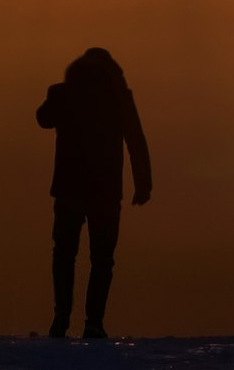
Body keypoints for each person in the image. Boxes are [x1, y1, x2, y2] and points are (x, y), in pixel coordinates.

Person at [36, 47, 151, 339]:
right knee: (102, 259)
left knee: (64, 255)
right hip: (105, 191)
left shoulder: (64, 92)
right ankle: (94, 322)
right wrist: (143, 183)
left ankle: (60, 319)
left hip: (68, 189)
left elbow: (42, 119)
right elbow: (135, 138)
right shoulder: (119, 97)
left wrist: (59, 95)